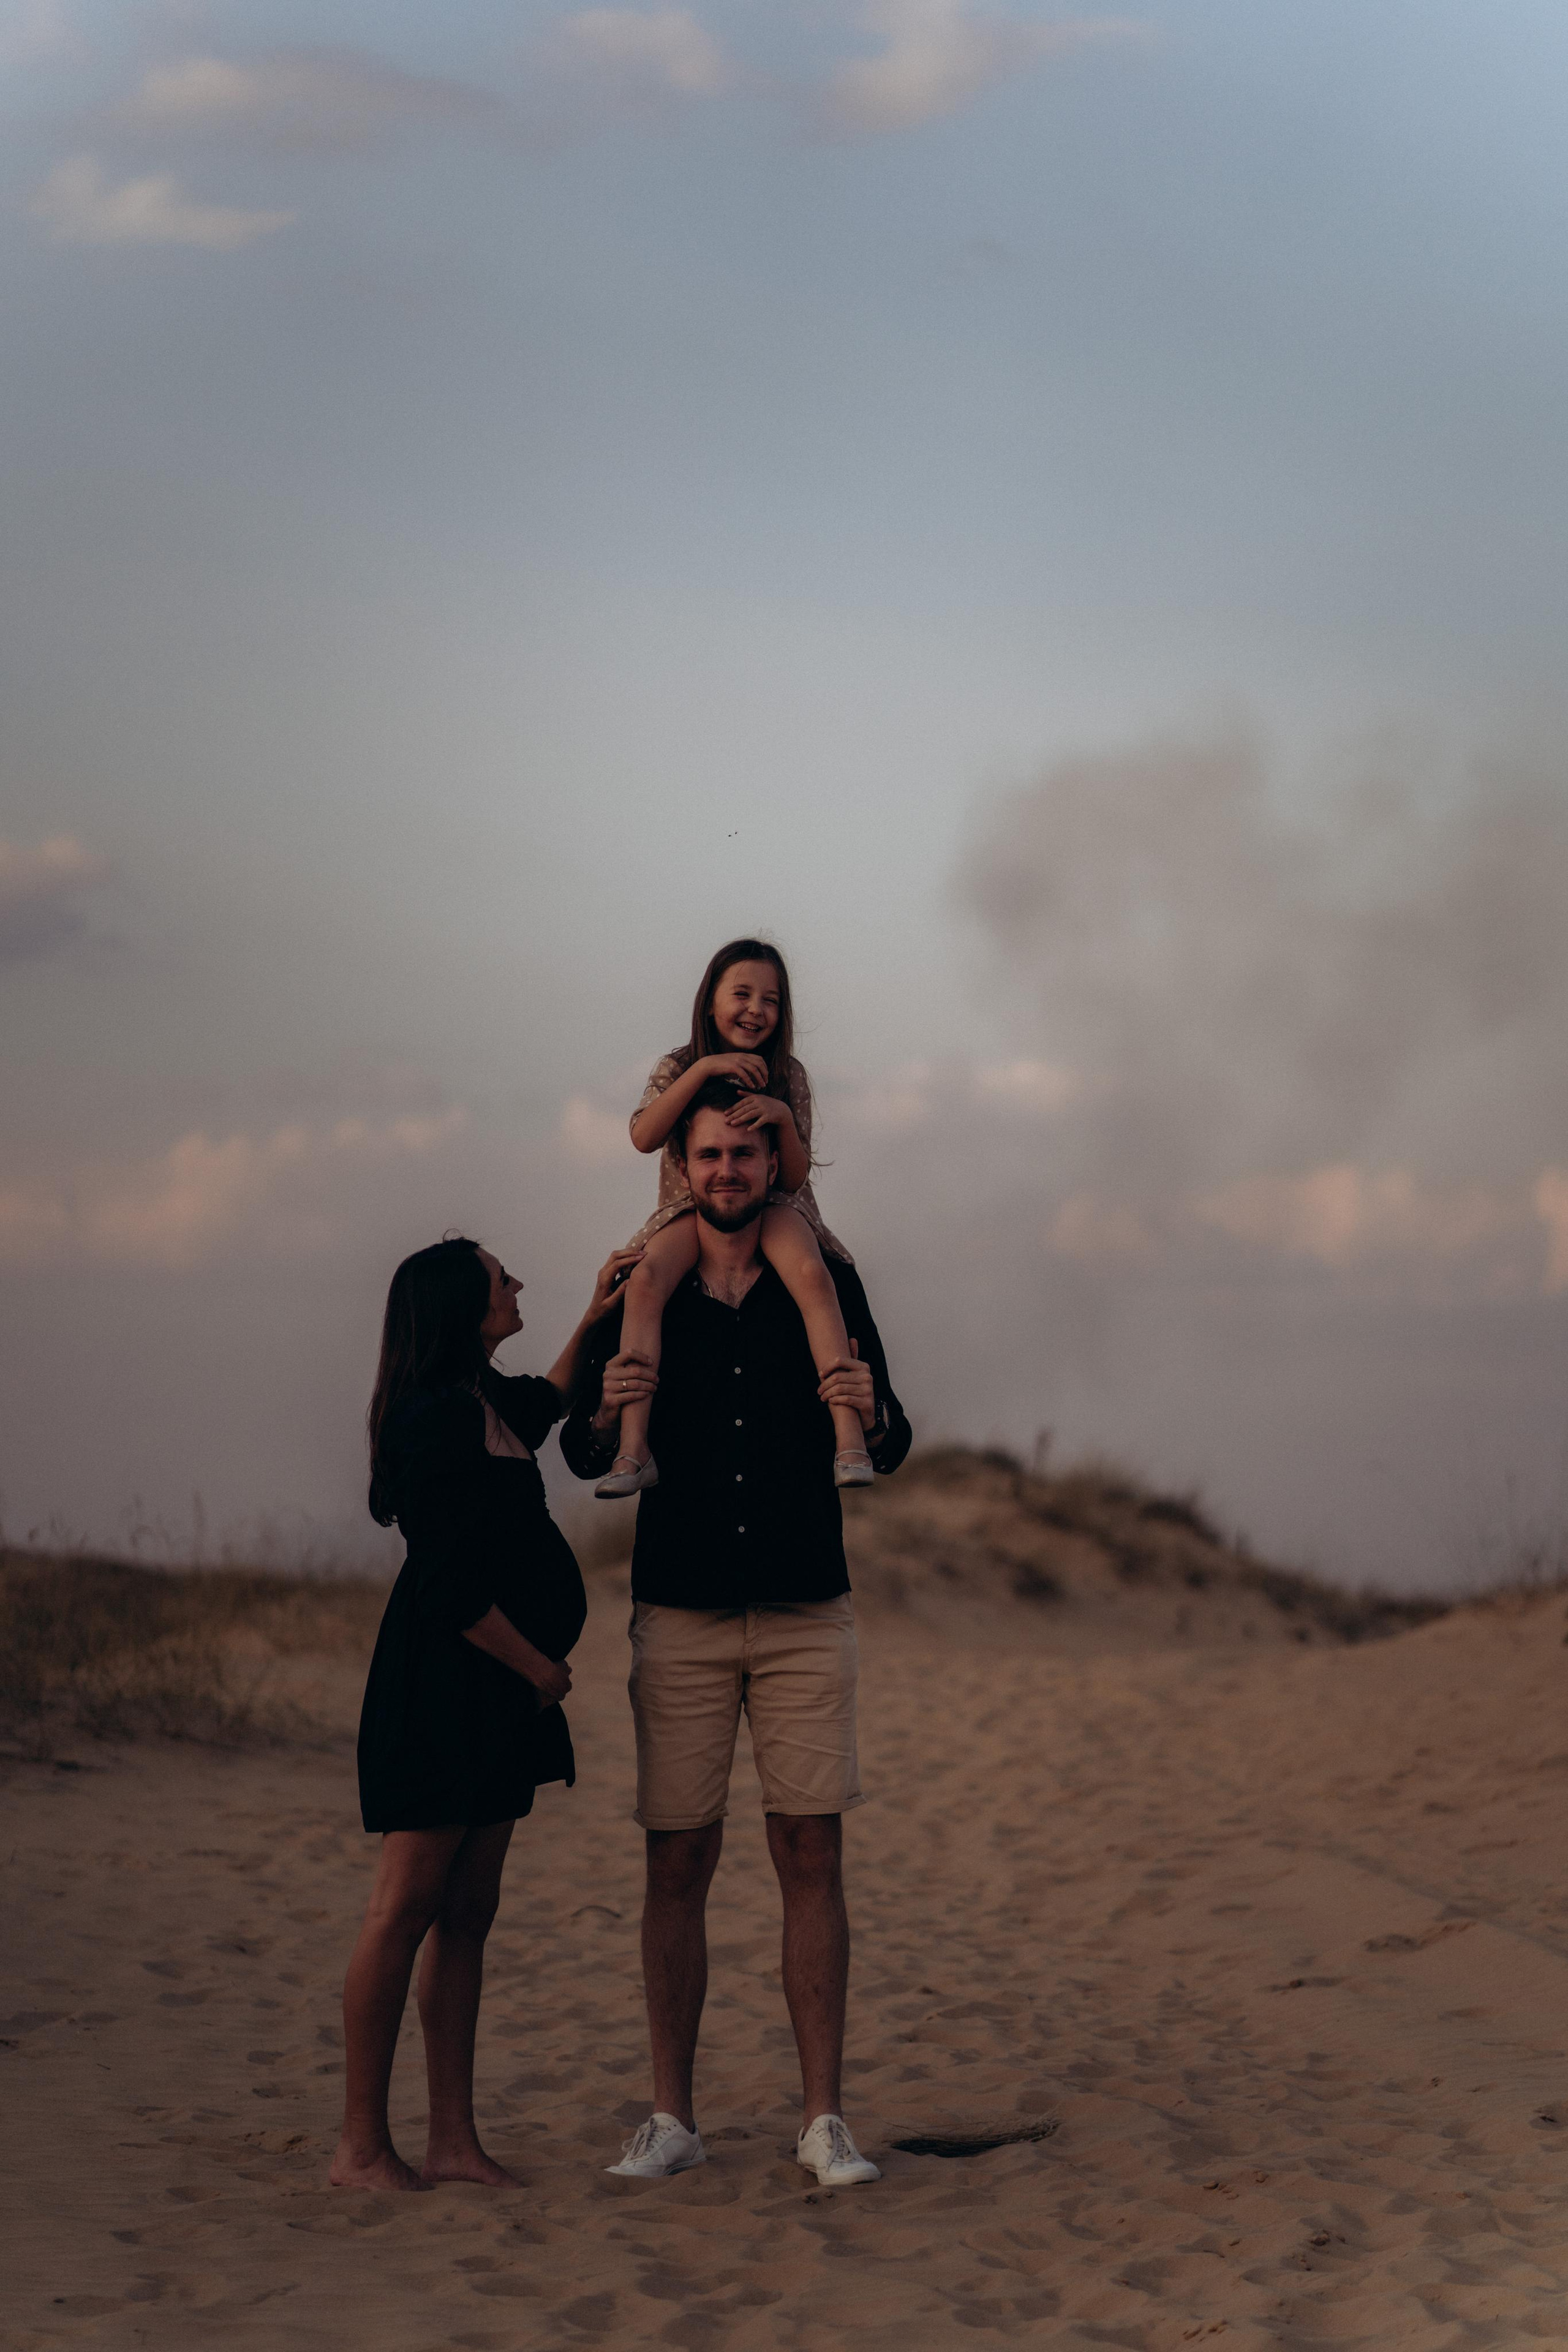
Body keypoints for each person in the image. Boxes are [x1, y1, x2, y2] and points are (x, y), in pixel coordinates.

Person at [561, 1081, 912, 2188]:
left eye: (745, 1157)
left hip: (809, 1605)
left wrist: (872, 1406)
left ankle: (823, 2122)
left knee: (812, 1852)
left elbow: (890, 1433)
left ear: (774, 1165)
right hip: (680, 1610)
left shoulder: (827, 1275)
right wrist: (597, 1406)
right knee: (678, 1857)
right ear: (687, 1164)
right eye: (709, 1155)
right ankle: (674, 2118)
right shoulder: (643, 1281)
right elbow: (579, 1446)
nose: (726, 1172)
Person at [331, 1231, 639, 2193]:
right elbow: (447, 1585)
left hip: (498, 1695)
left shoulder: (484, 1402)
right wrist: (538, 1668)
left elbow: (547, 1402)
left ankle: (452, 2141)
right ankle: (361, 2148)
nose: (516, 1286)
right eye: (502, 1280)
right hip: (443, 1690)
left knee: (469, 1912)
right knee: (403, 1909)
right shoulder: (430, 1421)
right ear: (463, 1309)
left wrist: (597, 1312)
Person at [593, 937, 873, 1499]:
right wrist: (704, 1072)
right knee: (645, 1281)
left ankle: (850, 1438)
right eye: (741, 994)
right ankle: (632, 1449)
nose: (755, 1009)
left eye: (770, 999)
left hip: (773, 1204)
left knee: (813, 1276)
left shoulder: (786, 1072)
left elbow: (791, 1178)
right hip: (688, 1207)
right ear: (710, 1002)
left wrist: (781, 1120)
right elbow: (644, 1135)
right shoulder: (677, 1064)